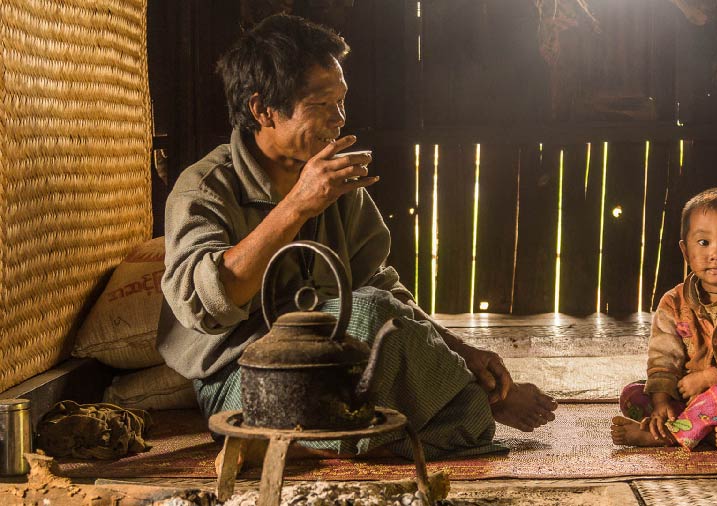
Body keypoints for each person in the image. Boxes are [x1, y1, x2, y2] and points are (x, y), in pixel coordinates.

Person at [156, 14, 557, 462]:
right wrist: (296, 207)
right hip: (249, 377)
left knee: (467, 419)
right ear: (262, 109)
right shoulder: (206, 187)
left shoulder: (335, 183)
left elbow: (382, 285)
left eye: (342, 102)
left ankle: (309, 444)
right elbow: (200, 303)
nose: (340, 119)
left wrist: (461, 352)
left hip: (333, 364)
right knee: (370, 318)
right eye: (321, 105)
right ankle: (337, 435)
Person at [611, 187, 717, 450]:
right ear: (685, 250)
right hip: (688, 395)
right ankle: (705, 431)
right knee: (633, 395)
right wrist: (660, 403)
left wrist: (709, 378)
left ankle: (668, 435)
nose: (716, 254)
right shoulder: (673, 302)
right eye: (703, 242)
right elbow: (663, 357)